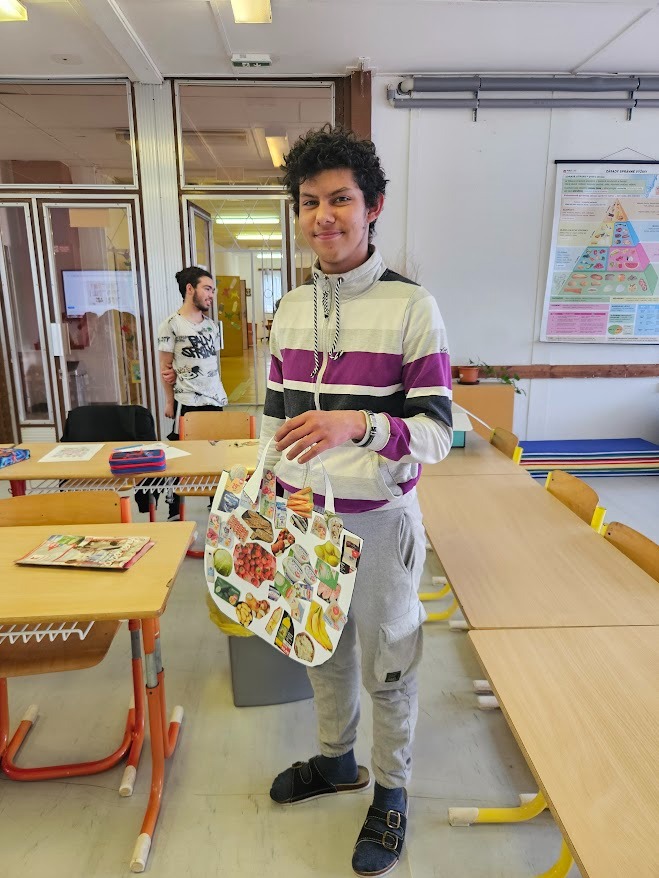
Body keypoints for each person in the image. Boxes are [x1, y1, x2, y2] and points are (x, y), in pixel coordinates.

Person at [259, 125, 453, 877]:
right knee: (322, 652)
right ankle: (337, 762)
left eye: (340, 199)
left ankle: (392, 791)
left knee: (390, 662)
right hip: (304, 519)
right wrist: (268, 493)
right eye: (309, 202)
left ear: (372, 207)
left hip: (380, 521)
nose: (323, 216)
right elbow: (273, 419)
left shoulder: (413, 307)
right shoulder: (289, 307)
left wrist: (358, 424)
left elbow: (436, 435)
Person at [158, 266, 228, 519]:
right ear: (190, 289)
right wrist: (169, 401)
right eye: (207, 289)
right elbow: (165, 367)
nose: (211, 295)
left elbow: (209, 364)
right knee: (183, 456)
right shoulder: (171, 325)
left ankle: (215, 502)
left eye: (213, 290)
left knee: (215, 454)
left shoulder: (212, 326)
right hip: (186, 401)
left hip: (214, 400)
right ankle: (174, 508)